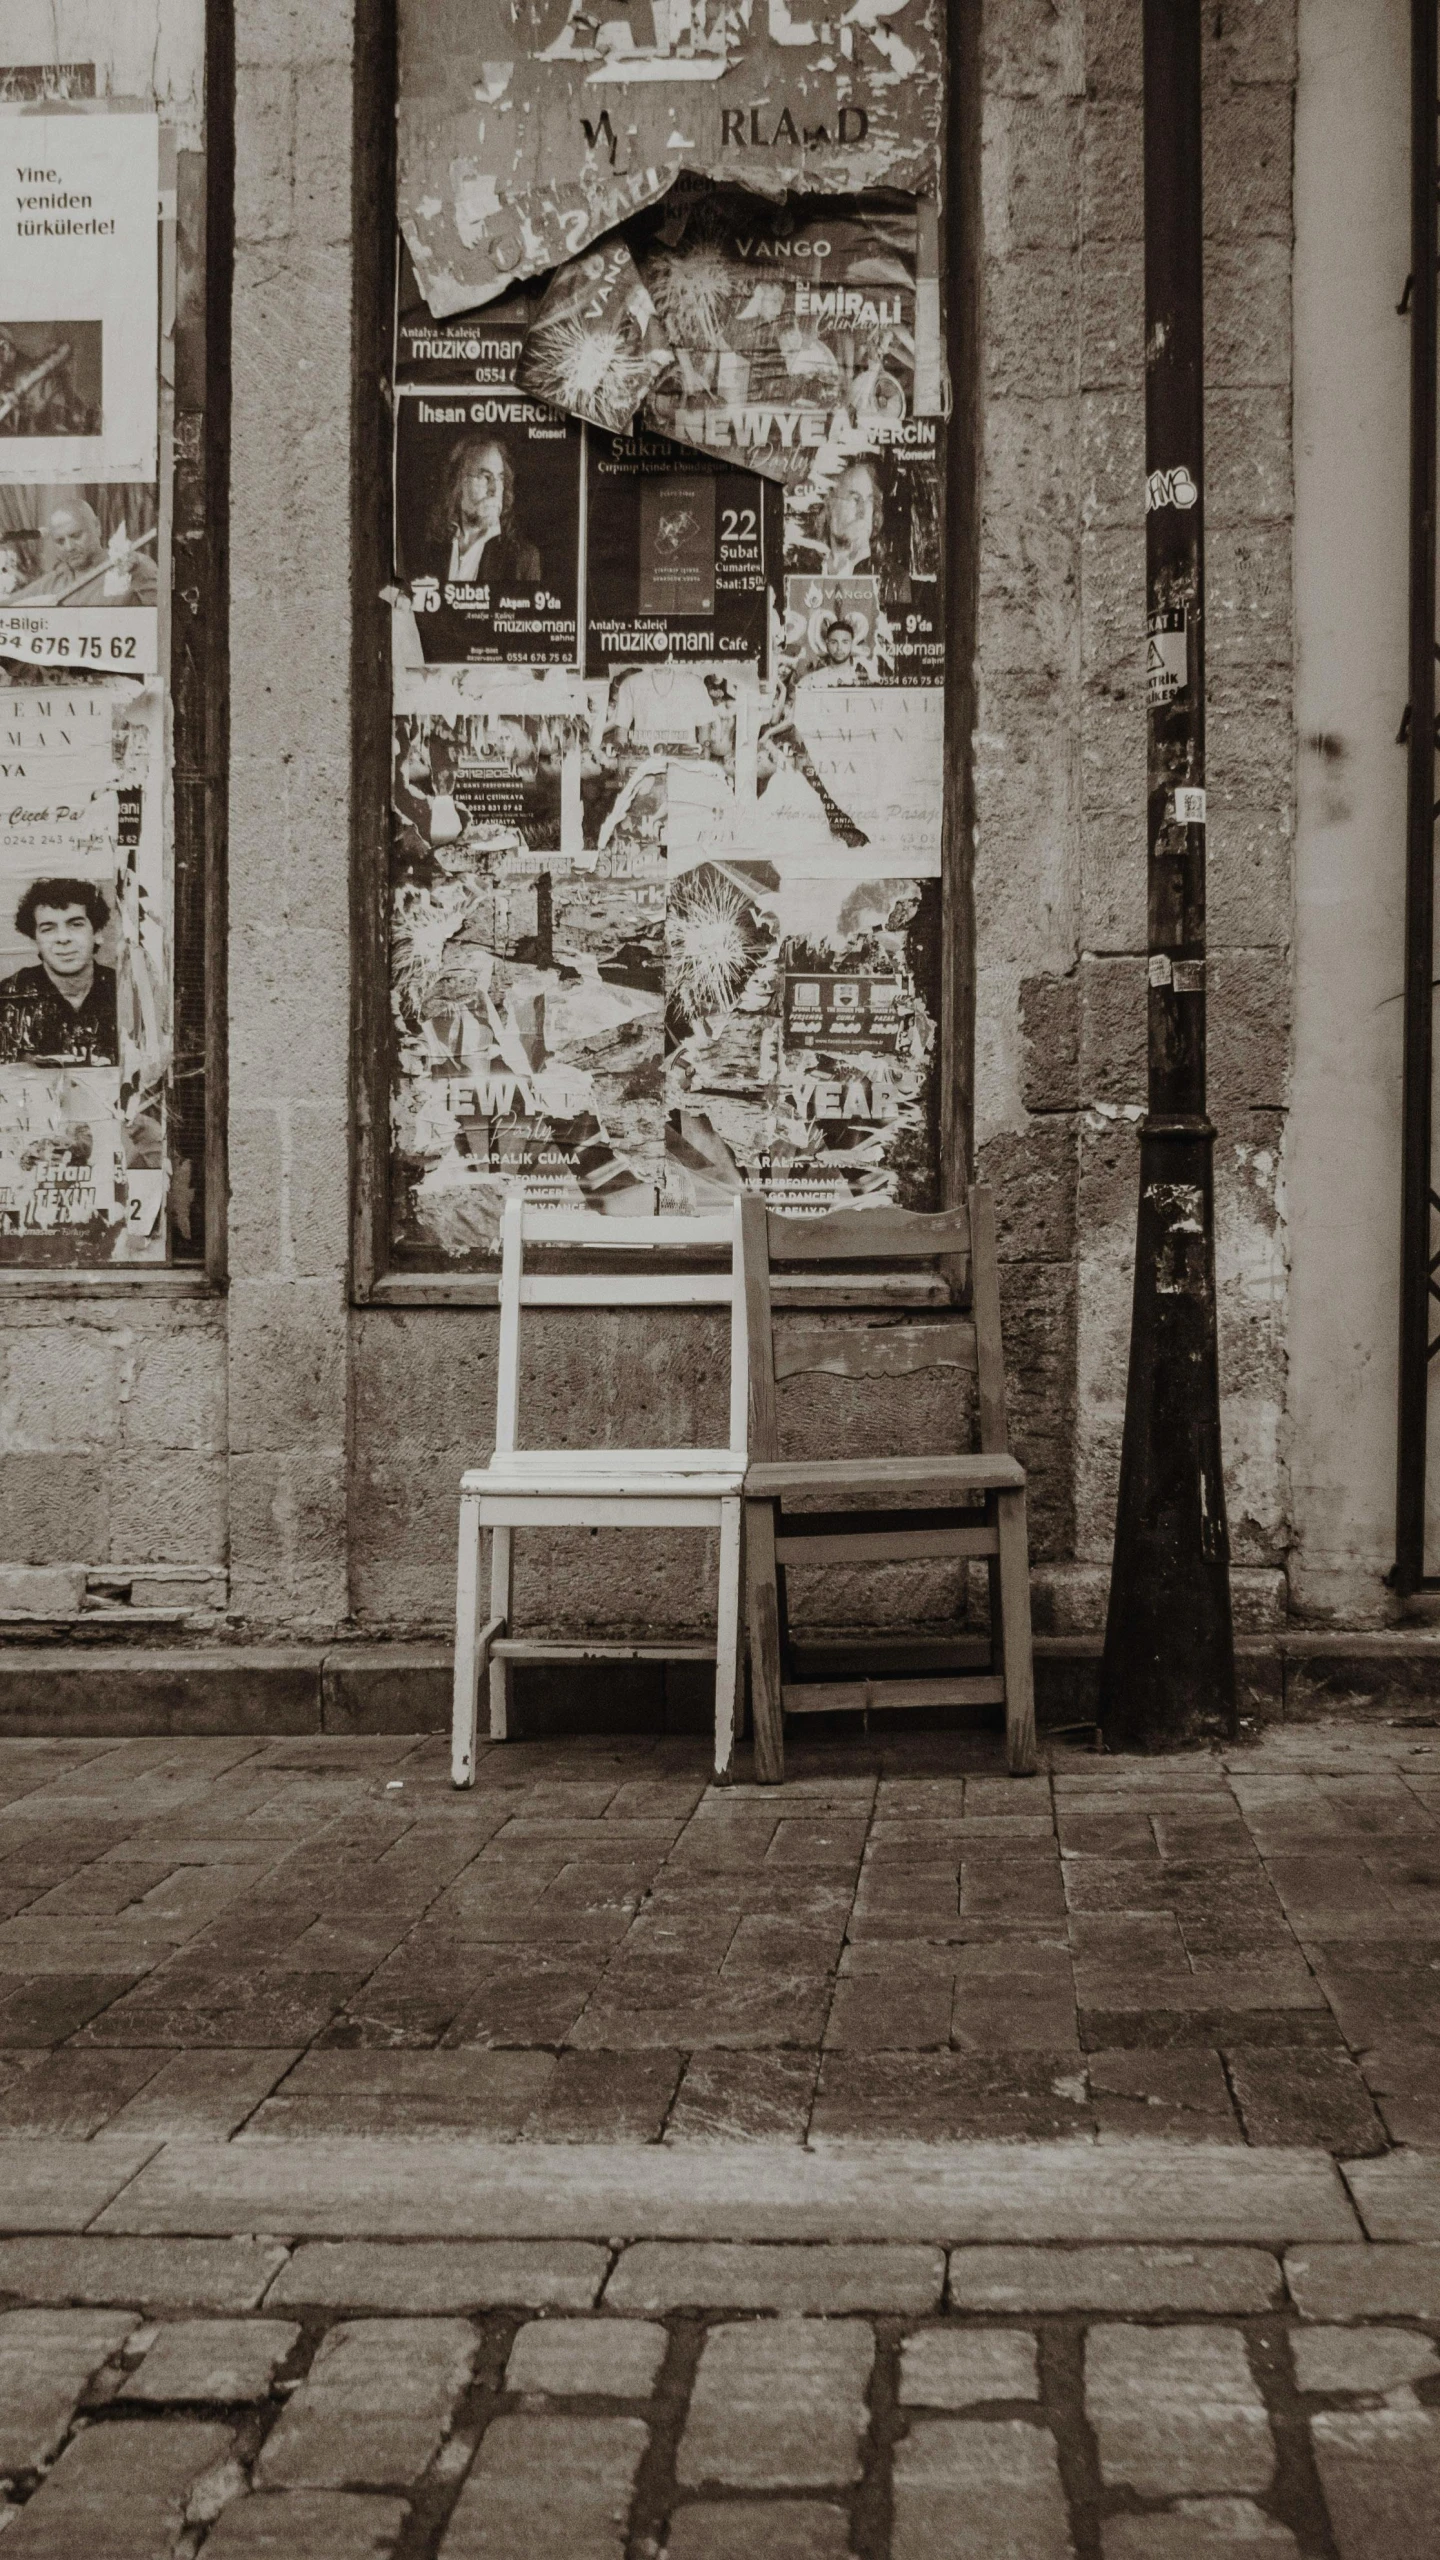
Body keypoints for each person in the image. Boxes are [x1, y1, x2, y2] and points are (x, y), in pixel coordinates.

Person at [0, 878, 118, 1064]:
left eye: (76, 924)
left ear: (97, 933)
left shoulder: (128, 992)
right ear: (35, 940)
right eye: (48, 929)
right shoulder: (6, 996)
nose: (63, 938)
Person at [424, 435, 541, 589]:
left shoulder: (523, 558)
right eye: (485, 477)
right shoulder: (430, 549)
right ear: (457, 483)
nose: (495, 489)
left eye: (500, 478)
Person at [23, 499, 158, 607]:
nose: (69, 547)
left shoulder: (136, 566)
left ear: (97, 526)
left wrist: (135, 577)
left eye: (76, 536)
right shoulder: (53, 581)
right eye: (60, 541)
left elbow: (165, 623)